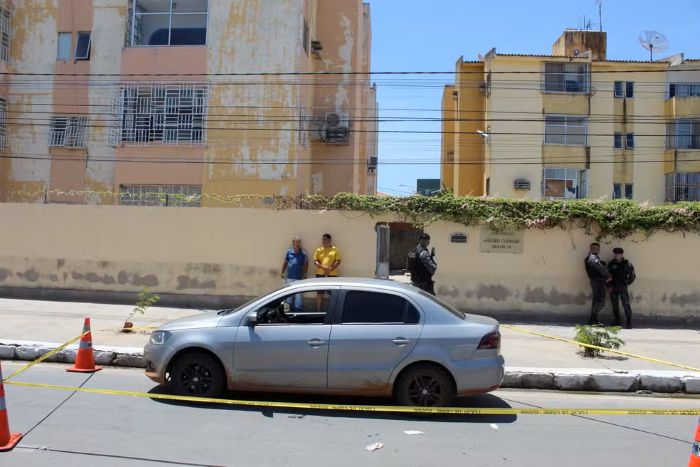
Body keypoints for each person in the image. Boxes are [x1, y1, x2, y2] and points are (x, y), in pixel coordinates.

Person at [607, 247, 636, 329]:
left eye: (617, 254)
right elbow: (607, 275)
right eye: (614, 253)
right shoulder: (611, 264)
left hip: (623, 287)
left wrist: (627, 283)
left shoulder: (628, 264)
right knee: (615, 305)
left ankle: (629, 322)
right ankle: (617, 321)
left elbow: (633, 276)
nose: (615, 255)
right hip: (613, 287)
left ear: (621, 254)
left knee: (626, 304)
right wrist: (609, 286)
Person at [584, 242, 612, 325]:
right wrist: (608, 275)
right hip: (598, 281)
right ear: (591, 249)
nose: (597, 250)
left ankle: (594, 319)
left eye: (597, 248)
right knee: (600, 301)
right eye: (595, 248)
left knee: (596, 301)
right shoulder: (593, 257)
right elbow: (600, 267)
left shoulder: (591, 257)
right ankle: (592, 319)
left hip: (596, 281)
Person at [313, 233, 342, 310]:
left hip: (332, 274)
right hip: (320, 274)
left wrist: (330, 269)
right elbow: (315, 261)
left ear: (329, 240)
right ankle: (318, 310)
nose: (323, 241)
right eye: (322, 239)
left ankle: (331, 310)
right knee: (319, 293)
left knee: (332, 293)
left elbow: (338, 261)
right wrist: (324, 268)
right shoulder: (319, 250)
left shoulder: (335, 249)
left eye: (325, 239)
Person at [280, 236, 308, 312]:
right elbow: (285, 262)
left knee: (298, 293)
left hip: (298, 276)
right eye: (296, 242)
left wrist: (305, 273)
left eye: (298, 242)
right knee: (288, 292)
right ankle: (288, 308)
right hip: (289, 276)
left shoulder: (303, 253)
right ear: (293, 243)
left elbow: (305, 263)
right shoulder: (289, 252)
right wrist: (282, 271)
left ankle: (298, 308)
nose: (297, 243)